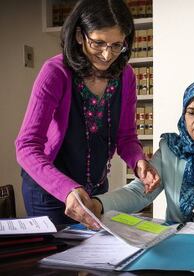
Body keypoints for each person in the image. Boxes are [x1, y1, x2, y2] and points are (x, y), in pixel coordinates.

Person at [69, 79, 194, 246]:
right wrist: (98, 204)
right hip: (179, 243)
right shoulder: (171, 149)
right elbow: (140, 191)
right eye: (191, 112)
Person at [15, 0, 159, 225]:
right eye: (98, 43)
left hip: (96, 188)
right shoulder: (55, 72)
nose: (106, 54)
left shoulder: (126, 76)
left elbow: (126, 138)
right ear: (80, 36)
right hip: (49, 191)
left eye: (116, 45)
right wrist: (68, 189)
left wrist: (138, 161)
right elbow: (26, 147)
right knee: (56, 258)